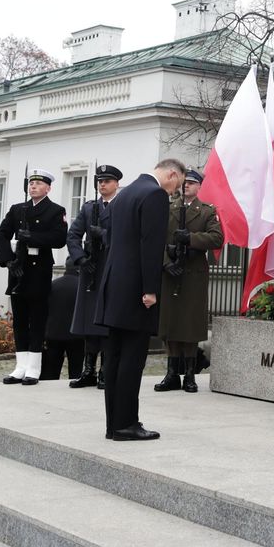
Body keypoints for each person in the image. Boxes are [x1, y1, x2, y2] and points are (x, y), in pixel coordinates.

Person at [94, 158, 186, 441]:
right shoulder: (154, 194)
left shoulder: (125, 194)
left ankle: (114, 425)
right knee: (132, 359)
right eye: (177, 186)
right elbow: (151, 245)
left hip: (114, 286)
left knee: (115, 358)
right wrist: (150, 289)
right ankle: (127, 424)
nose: (174, 192)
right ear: (171, 174)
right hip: (135, 289)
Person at [0, 169, 68, 385]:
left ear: (48, 188)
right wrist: (8, 261)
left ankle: (34, 368)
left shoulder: (55, 210)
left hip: (39, 271)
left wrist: (33, 237)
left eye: (38, 183)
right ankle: (20, 366)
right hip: (18, 269)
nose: (33, 186)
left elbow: (59, 238)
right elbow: (0, 235)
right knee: (19, 320)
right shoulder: (18, 210)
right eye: (31, 183)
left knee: (37, 320)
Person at [155, 168, 222, 394]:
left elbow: (217, 238)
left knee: (190, 326)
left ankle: (190, 375)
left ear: (199, 186)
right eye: (185, 183)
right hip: (171, 272)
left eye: (192, 183)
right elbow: (156, 239)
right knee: (170, 324)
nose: (187, 186)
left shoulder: (206, 211)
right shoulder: (167, 209)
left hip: (193, 273)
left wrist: (191, 239)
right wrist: (167, 260)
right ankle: (172, 373)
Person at [67, 164, 122, 389]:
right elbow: (73, 235)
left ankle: (104, 371)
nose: (102, 184)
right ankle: (88, 370)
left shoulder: (122, 206)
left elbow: (126, 237)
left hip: (111, 269)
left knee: (107, 323)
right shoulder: (89, 208)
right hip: (90, 270)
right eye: (100, 181)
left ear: (117, 183)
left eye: (107, 181)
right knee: (89, 321)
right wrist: (80, 259)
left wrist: (105, 235)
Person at [40, 259, 84, 381]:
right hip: (77, 335)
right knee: (76, 373)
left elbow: (44, 311)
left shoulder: (53, 285)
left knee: (50, 374)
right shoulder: (83, 287)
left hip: (53, 334)